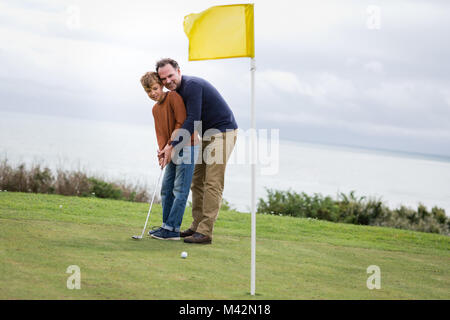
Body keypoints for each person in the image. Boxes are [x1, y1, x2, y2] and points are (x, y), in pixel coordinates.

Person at [156, 58, 238, 245]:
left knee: (212, 182)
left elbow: (192, 119)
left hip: (223, 133)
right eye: (163, 79)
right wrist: (166, 146)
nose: (168, 81)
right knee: (197, 181)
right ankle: (196, 226)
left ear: (178, 71)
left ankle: (205, 232)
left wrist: (172, 146)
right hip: (205, 135)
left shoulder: (191, 86)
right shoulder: (175, 94)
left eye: (170, 75)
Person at [140, 71, 199, 240]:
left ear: (161, 85)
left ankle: (173, 229)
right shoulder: (155, 109)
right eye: (148, 91)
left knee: (180, 190)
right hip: (171, 149)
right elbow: (160, 134)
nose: (153, 93)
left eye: (155, 88)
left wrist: (169, 147)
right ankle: (166, 226)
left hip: (188, 146)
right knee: (166, 189)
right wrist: (162, 152)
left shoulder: (173, 97)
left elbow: (181, 122)